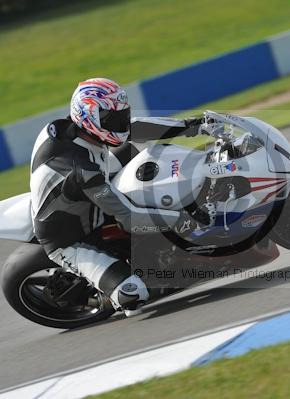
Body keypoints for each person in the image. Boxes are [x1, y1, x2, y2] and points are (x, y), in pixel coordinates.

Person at [29, 77, 202, 314]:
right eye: (113, 119)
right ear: (89, 116)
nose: (122, 124)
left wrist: (190, 126)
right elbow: (128, 218)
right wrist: (180, 220)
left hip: (84, 193)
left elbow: (135, 129)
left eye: (122, 115)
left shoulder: (72, 129)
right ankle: (105, 299)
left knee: (142, 152)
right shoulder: (81, 169)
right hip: (71, 238)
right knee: (132, 295)